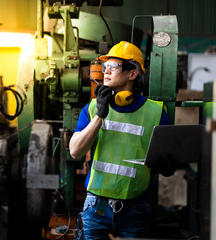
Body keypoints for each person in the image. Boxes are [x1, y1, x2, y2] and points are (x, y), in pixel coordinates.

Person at [69, 41, 171, 239]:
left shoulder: (156, 112)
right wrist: (100, 115)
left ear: (132, 73)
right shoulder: (92, 108)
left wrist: (167, 163)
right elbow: (75, 151)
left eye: (113, 67)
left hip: (136, 208)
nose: (105, 72)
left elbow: (166, 161)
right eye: (105, 67)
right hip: (96, 206)